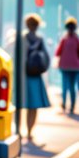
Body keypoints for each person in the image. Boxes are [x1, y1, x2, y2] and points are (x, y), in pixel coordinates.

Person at [22, 13, 50, 141]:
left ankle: (19, 129)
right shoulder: (40, 40)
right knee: (33, 107)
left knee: (21, 104)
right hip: (35, 76)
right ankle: (29, 131)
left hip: (23, 75)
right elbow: (46, 58)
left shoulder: (21, 38)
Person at [54, 16, 79, 114]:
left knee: (65, 86)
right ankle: (71, 105)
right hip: (75, 66)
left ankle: (65, 103)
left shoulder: (64, 39)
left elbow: (57, 52)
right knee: (72, 87)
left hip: (65, 66)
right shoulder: (76, 39)